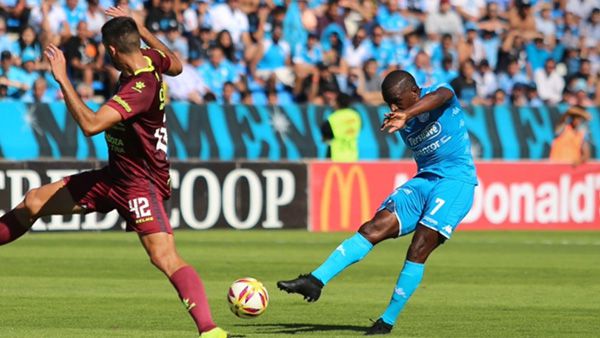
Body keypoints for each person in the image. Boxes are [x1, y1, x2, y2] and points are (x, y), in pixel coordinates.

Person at [0, 8, 227, 338]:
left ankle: (209, 330)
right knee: (34, 201)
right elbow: (176, 64)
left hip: (141, 184)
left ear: (111, 50)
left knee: (165, 257)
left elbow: (92, 125)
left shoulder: (140, 87)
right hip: (115, 175)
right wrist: (144, 28)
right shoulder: (150, 58)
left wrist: (63, 79)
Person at [278, 70, 477, 335]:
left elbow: (443, 95)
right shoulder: (400, 117)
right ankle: (315, 280)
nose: (393, 108)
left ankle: (386, 321)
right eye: (389, 103)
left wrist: (408, 114)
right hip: (424, 181)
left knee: (419, 246)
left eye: (397, 101)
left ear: (415, 91)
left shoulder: (437, 92)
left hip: (455, 182)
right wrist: (403, 116)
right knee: (372, 228)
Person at [320, 92, 362, 161]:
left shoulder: (333, 118)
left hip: (336, 157)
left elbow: (325, 138)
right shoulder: (356, 116)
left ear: (337, 103)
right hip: (353, 157)